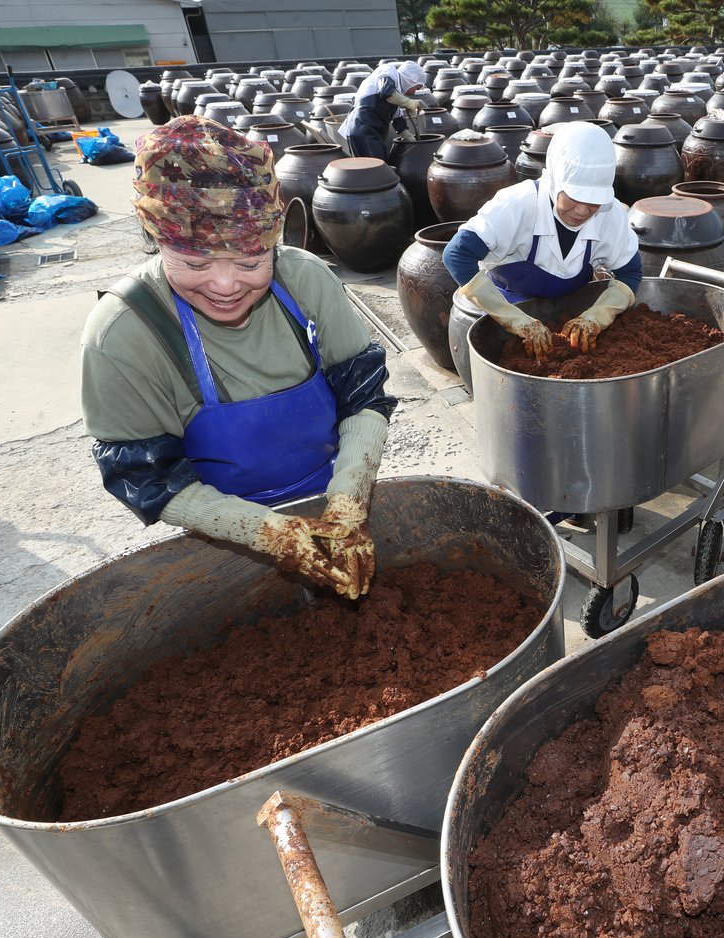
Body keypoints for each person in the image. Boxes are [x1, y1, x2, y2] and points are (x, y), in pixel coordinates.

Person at [81, 115, 397, 600]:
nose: (226, 286)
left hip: (331, 486)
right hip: (222, 529)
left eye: (251, 262)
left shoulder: (305, 280)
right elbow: (144, 473)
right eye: (195, 263)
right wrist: (273, 535)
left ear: (274, 240)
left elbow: (363, 397)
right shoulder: (124, 332)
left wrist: (349, 500)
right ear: (156, 239)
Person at [442, 121, 643, 360]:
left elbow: (630, 273)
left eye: (593, 202)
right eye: (573, 198)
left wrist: (597, 317)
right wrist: (516, 320)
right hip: (502, 323)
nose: (581, 211)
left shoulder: (610, 215)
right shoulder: (517, 204)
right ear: (556, 179)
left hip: (567, 318)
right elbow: (456, 254)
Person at [337, 60, 427, 160]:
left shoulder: (397, 93)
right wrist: (409, 103)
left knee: (379, 167)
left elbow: (397, 118)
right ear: (412, 79)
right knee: (375, 169)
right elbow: (386, 92)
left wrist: (407, 136)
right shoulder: (388, 71)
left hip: (373, 133)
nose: (414, 92)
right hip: (362, 129)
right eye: (417, 88)